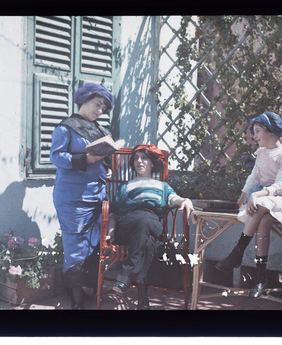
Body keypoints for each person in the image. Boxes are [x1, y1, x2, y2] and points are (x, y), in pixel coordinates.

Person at [215, 111, 282, 298]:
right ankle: (260, 276)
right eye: (254, 131)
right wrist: (243, 195)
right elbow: (255, 176)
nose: (255, 135)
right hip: (270, 196)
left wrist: (257, 195)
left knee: (260, 205)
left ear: (272, 132)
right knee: (264, 221)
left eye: (258, 131)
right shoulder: (261, 153)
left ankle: (238, 252)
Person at [50, 83, 114, 309]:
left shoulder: (101, 130)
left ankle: (81, 288)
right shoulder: (65, 127)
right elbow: (56, 157)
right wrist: (84, 159)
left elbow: (103, 158)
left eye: (104, 108)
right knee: (75, 243)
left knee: (93, 241)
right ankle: (75, 298)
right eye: (97, 104)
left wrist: (107, 168)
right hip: (72, 197)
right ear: (84, 100)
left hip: (98, 195)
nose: (99, 111)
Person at [106, 144, 193, 310]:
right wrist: (110, 234)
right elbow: (114, 214)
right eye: (136, 158)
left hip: (151, 222)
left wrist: (185, 201)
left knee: (146, 230)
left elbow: (174, 199)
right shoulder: (126, 186)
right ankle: (140, 298)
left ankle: (126, 279)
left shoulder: (162, 187)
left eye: (144, 157)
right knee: (147, 237)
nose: (139, 161)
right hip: (129, 225)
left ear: (152, 163)